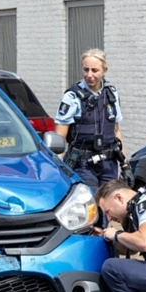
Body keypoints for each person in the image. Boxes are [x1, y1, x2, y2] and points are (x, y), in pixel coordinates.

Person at [54, 49, 127, 188]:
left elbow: (116, 132)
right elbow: (59, 137)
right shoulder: (72, 97)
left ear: (104, 70)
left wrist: (125, 164)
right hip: (83, 163)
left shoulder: (111, 93)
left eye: (95, 70)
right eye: (85, 69)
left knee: (109, 206)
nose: (89, 75)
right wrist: (58, 167)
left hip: (109, 162)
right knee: (90, 203)